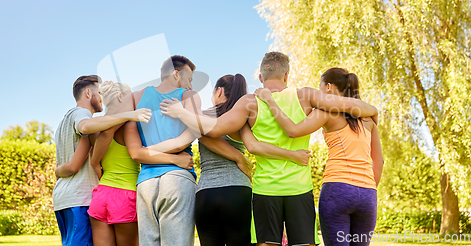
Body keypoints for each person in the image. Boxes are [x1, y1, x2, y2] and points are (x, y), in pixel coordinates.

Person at [160, 52, 378, 246]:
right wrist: (373, 110)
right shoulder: (306, 95)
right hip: (299, 189)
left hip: (266, 190)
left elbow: (215, 129)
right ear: (286, 76)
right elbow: (348, 105)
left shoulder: (249, 102)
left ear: (261, 78)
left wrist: (182, 113)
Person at [91, 55, 249, 246]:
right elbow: (186, 140)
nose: (190, 86)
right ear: (176, 74)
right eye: (189, 79)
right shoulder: (189, 96)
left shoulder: (135, 97)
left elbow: (132, 151)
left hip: (146, 183)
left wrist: (98, 160)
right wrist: (174, 159)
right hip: (177, 179)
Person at [160, 73, 312, 246]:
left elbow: (195, 136)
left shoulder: (198, 119)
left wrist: (149, 152)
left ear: (218, 91)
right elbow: (254, 146)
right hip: (238, 191)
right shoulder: (243, 118)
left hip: (206, 193)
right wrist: (238, 157)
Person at [255, 68, 384, 246]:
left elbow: (293, 130)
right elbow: (379, 160)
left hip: (338, 189)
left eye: (320, 87)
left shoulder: (325, 112)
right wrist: (367, 190)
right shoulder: (368, 118)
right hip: (368, 193)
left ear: (329, 87)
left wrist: (270, 101)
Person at [86, 81, 196, 246]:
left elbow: (97, 147)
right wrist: (174, 158)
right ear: (120, 96)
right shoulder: (129, 123)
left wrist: (95, 163)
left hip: (101, 194)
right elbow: (137, 153)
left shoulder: (96, 129)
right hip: (125, 195)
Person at [53, 75, 151, 246]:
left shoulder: (80, 125)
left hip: (95, 198)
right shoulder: (85, 116)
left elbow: (93, 162)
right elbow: (138, 153)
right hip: (115, 195)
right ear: (121, 97)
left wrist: (58, 170)